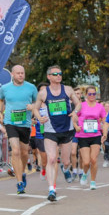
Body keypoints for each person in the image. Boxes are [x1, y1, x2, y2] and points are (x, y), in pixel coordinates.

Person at [33, 65, 80, 202]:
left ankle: (65, 169)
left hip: (66, 129)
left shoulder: (67, 89)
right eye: (55, 74)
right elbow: (36, 109)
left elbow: (78, 104)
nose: (58, 76)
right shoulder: (43, 93)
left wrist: (75, 112)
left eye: (60, 73)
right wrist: (39, 117)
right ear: (49, 77)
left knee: (66, 161)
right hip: (50, 130)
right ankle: (51, 189)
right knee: (51, 159)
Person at [0, 65, 38, 194]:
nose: (21, 75)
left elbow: (38, 102)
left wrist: (33, 106)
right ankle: (19, 182)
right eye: (18, 73)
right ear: (13, 75)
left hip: (25, 123)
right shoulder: (5, 88)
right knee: (15, 151)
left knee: (24, 153)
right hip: (11, 122)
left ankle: (22, 171)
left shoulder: (31, 87)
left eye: (22, 73)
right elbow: (0, 99)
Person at [73, 86, 106, 190]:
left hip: (96, 135)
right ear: (86, 94)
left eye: (93, 94)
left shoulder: (100, 106)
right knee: (86, 162)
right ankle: (84, 173)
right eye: (90, 94)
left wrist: (104, 132)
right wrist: (76, 126)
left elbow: (105, 120)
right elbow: (74, 117)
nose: (92, 96)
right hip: (83, 135)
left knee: (93, 159)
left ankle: (92, 181)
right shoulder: (81, 106)